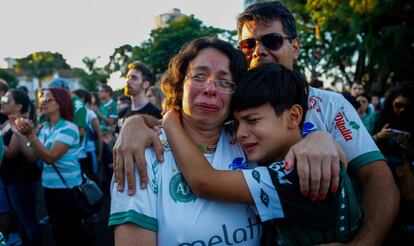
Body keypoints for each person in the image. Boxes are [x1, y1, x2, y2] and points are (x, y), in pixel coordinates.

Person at [114, 2, 399, 245]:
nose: (258, 51)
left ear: (295, 46)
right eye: (248, 44)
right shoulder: (234, 104)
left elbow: (378, 180)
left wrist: (320, 138)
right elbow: (195, 118)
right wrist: (137, 123)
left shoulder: (330, 105)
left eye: (272, 40)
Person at [163, 63, 362, 245]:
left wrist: (170, 119)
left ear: (293, 117)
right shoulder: (304, 157)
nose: (240, 133)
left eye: (252, 120)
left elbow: (204, 181)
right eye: (237, 123)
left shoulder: (298, 173)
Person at [110, 37, 263, 245]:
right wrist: (134, 122)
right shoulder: (142, 155)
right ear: (181, 84)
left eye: (224, 81)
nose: (211, 88)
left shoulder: (251, 145)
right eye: (199, 76)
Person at [15, 88, 87, 246]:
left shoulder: (68, 128)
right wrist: (18, 132)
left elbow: (49, 157)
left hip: (67, 190)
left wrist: (30, 135)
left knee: (71, 233)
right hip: (50, 188)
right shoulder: (45, 128)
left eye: (48, 99)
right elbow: (33, 157)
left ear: (61, 103)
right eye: (42, 98)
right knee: (58, 231)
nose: (43, 102)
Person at [0, 89, 41, 245]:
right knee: (19, 218)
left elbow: (10, 152)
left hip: (21, 180)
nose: (2, 102)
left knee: (28, 220)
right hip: (10, 178)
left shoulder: (22, 124)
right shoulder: (8, 122)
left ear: (18, 106)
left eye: (7, 99)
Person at [118, 61, 162, 131]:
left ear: (145, 84)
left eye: (134, 78)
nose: (128, 81)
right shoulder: (122, 113)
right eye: (128, 77)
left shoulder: (156, 114)